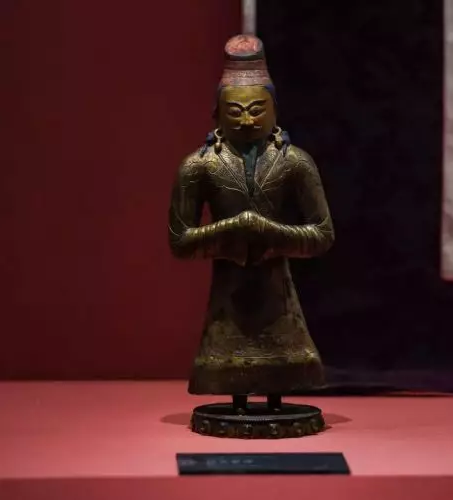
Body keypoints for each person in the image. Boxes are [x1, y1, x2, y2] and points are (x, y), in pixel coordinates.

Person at [168, 34, 334, 414]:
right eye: (235, 111)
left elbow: (323, 234)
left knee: (284, 353)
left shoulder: (295, 162)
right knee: (227, 350)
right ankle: (238, 399)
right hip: (229, 290)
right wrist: (232, 229)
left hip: (278, 290)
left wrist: (269, 232)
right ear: (216, 113)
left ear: (275, 110)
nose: (246, 119)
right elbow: (179, 240)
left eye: (257, 109)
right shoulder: (199, 166)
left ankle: (275, 398)